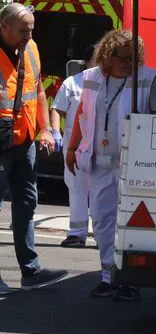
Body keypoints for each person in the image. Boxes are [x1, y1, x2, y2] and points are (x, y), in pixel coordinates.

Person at [65, 31, 156, 301]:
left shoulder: (148, 79)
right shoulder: (91, 78)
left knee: (133, 225)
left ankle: (130, 282)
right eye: (122, 58)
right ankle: (108, 276)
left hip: (134, 166)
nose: (128, 63)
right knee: (101, 222)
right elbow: (81, 114)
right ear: (107, 56)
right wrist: (73, 147)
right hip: (99, 163)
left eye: (133, 58)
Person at [0, 3, 68, 295]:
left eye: (31, 30)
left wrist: (47, 129)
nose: (28, 36)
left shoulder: (31, 48)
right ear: (3, 27)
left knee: (26, 204)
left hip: (24, 139)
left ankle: (31, 271)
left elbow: (38, 89)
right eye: (22, 31)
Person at [51, 44, 97, 247]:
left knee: (101, 191)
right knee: (77, 189)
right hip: (76, 147)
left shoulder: (112, 84)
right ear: (87, 61)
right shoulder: (72, 83)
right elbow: (57, 109)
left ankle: (100, 233)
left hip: (102, 147)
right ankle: (77, 234)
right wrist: (54, 131)